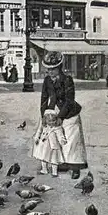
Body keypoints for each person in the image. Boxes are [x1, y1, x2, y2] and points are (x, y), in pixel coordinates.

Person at [36, 51, 87, 179]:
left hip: (70, 113)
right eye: (48, 69)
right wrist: (44, 115)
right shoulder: (47, 80)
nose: (50, 72)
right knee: (56, 139)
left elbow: (70, 100)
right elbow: (44, 98)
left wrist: (61, 117)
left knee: (71, 140)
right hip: (54, 113)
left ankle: (75, 167)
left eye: (53, 69)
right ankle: (62, 162)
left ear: (59, 68)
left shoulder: (67, 80)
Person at [30, 109, 66, 178]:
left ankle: (54, 172)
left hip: (53, 146)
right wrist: (37, 138)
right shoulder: (44, 125)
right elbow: (39, 131)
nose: (52, 122)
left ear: (56, 120)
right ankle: (44, 169)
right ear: (45, 120)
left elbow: (60, 135)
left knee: (54, 159)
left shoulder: (57, 128)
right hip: (44, 145)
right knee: (43, 157)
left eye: (53, 120)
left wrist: (62, 140)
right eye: (49, 121)